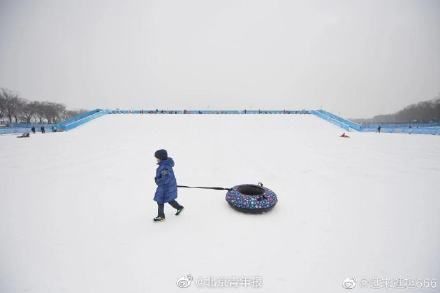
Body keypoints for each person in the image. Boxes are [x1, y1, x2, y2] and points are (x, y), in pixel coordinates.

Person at [153, 149, 184, 222]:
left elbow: (165, 179)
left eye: (157, 158)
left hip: (165, 187)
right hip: (167, 186)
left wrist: (157, 180)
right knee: (169, 199)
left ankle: (161, 216)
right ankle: (179, 207)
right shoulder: (165, 165)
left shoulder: (164, 167)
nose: (156, 159)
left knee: (160, 200)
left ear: (161, 158)